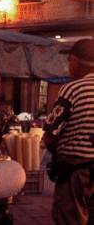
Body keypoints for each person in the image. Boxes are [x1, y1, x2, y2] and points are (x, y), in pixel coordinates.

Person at [42, 39, 94, 225]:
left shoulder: (72, 88)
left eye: (69, 62)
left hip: (75, 173)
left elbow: (50, 134)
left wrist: (55, 154)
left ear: (74, 60)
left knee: (70, 219)